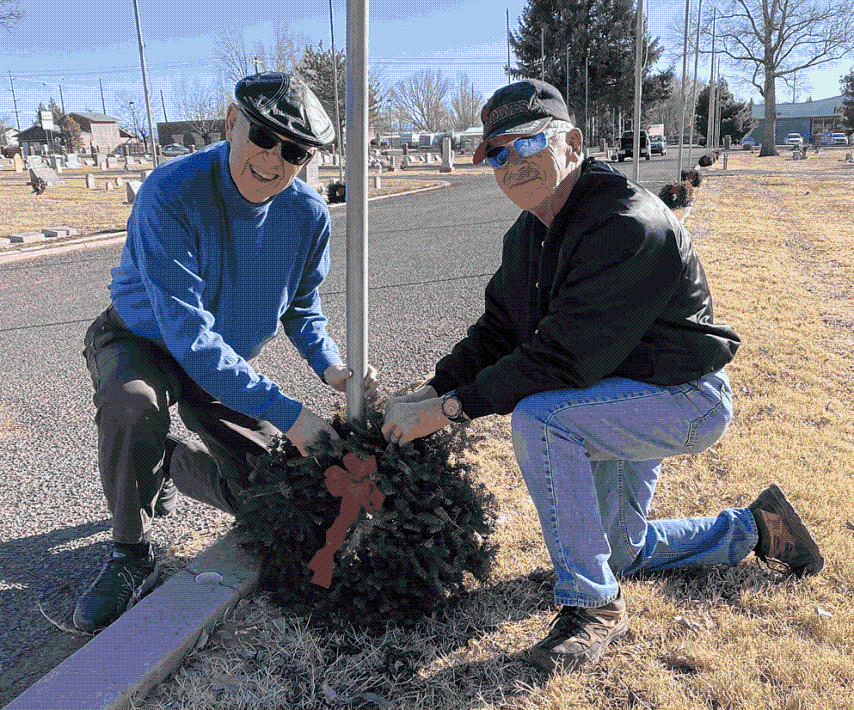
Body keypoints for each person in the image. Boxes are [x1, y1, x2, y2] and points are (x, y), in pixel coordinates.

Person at [381, 79, 823, 673]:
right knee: (620, 551)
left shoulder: (626, 222)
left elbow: (562, 359)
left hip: (682, 397)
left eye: (529, 142)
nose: (514, 163)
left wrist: (449, 410)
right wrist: (429, 389)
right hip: (615, 396)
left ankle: (591, 606)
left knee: (542, 419)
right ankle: (755, 530)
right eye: (498, 152)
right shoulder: (530, 234)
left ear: (573, 141)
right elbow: (497, 333)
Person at [74, 72, 376, 633]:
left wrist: (332, 365)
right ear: (232, 122)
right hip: (142, 341)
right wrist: (292, 416)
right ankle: (130, 551)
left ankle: (166, 465)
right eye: (263, 137)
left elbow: (301, 307)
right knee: (134, 405)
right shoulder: (171, 192)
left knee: (264, 496)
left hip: (222, 361)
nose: (273, 161)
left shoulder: (307, 215)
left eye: (294, 151)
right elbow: (187, 335)